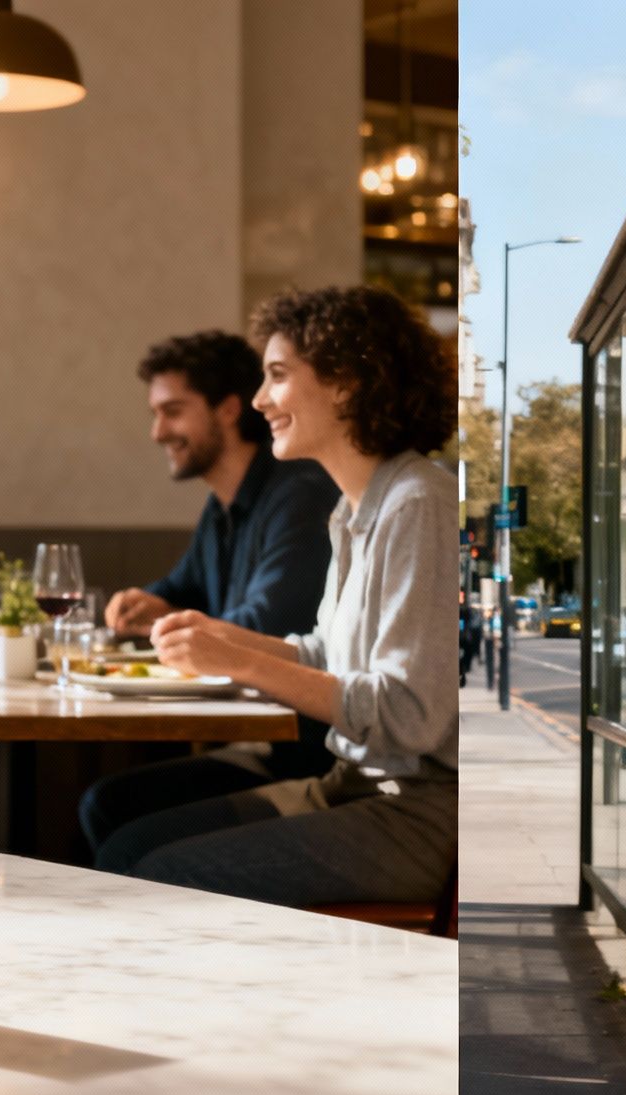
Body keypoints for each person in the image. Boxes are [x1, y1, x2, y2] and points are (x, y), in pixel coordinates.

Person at [81, 286, 459, 907]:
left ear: (346, 383)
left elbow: (409, 713)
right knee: (127, 844)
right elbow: (322, 655)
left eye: (278, 376)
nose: (259, 400)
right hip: (349, 786)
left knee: (153, 873)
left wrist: (237, 660)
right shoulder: (354, 509)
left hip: (411, 814)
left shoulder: (419, 502)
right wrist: (221, 637)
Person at [104, 331, 337, 638]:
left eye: (173, 412)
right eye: (155, 414)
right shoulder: (219, 504)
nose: (157, 433)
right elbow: (180, 590)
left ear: (228, 410)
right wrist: (142, 601)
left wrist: (170, 622)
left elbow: (269, 625)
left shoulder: (301, 494)